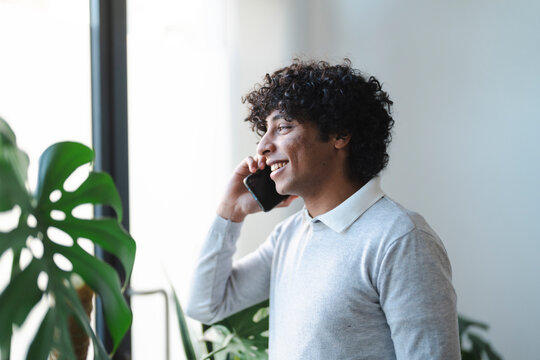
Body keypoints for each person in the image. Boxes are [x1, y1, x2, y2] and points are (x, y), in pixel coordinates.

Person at [185, 59, 460, 359]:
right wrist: (230, 212)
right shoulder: (288, 237)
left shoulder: (401, 240)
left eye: (283, 127)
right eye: (265, 130)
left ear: (340, 134)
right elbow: (205, 305)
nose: (263, 146)